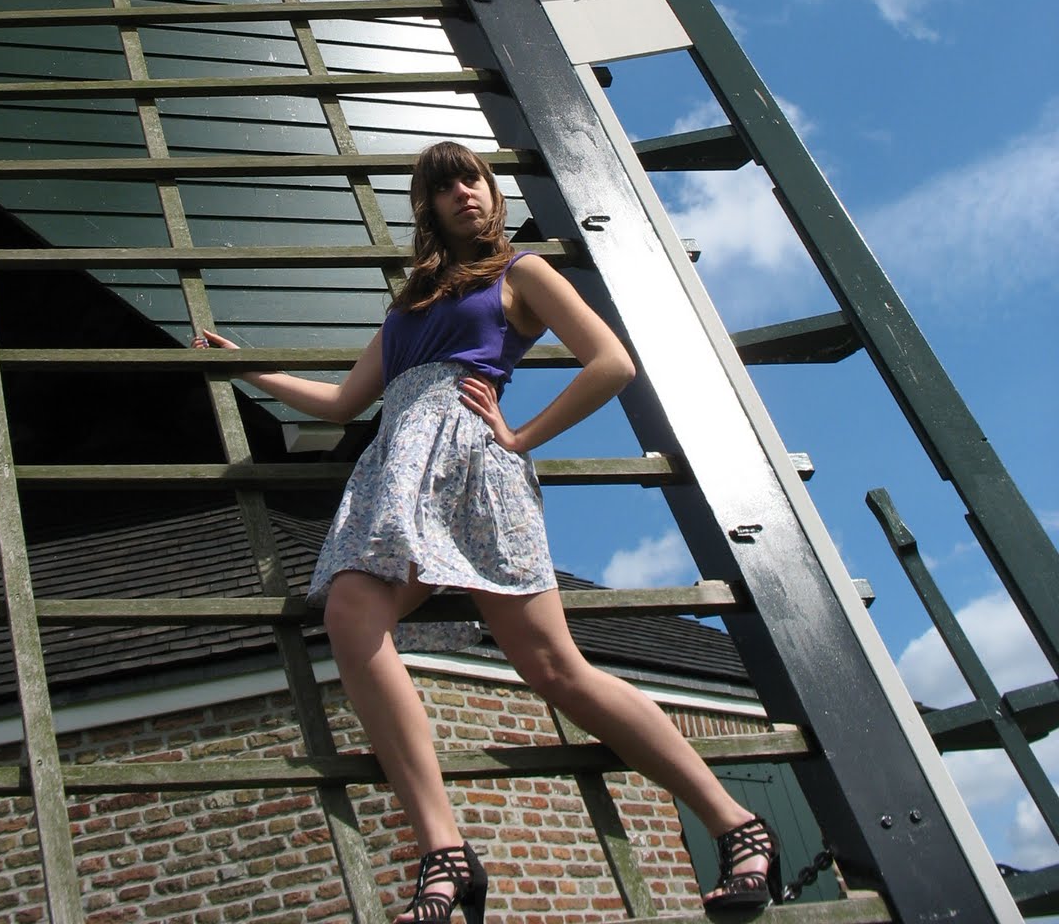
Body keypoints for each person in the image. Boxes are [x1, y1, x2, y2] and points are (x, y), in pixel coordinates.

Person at [195, 140, 780, 921]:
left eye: (472, 179)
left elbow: (610, 362)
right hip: (398, 471)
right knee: (350, 615)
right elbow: (342, 404)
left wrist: (520, 437)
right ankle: (444, 853)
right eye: (446, 187)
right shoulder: (407, 305)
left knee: (554, 668)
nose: (465, 193)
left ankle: (736, 823)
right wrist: (250, 367)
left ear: (491, 191)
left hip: (475, 468)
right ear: (429, 207)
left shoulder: (523, 272)